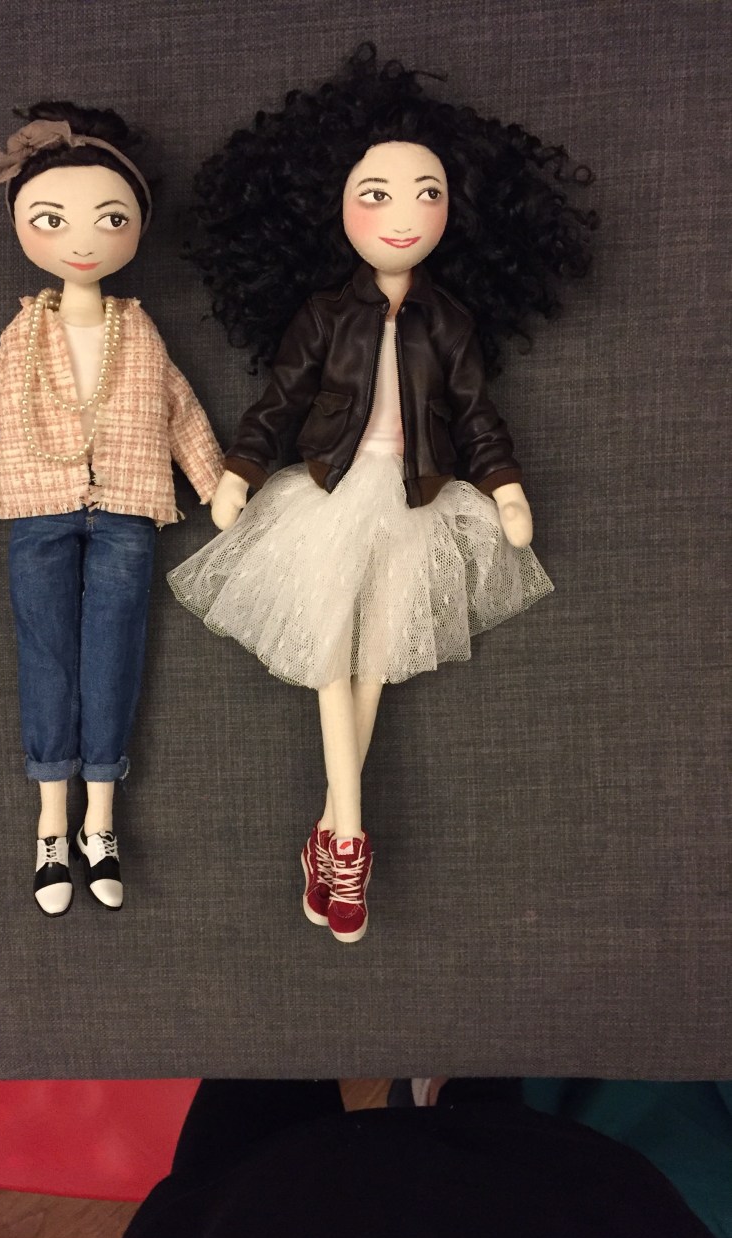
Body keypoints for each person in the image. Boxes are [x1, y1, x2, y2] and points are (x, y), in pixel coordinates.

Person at [168, 45, 596, 942]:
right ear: (330, 205)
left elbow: (475, 414)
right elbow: (280, 401)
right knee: (332, 654)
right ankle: (348, 837)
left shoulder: (449, 322)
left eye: (425, 194)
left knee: (371, 663)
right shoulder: (325, 316)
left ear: (456, 207)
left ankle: (332, 832)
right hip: (328, 491)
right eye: (376, 194)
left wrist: (505, 487)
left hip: (417, 498)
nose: (403, 215)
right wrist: (241, 469)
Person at [0, 102, 223, 916]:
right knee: (45, 656)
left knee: (114, 654)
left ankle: (99, 819)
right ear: (22, 226)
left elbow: (178, 409)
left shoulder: (141, 334)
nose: (81, 239)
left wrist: (216, 483)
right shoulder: (23, 335)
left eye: (109, 218)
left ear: (135, 226)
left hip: (129, 508)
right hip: (37, 505)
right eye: (52, 219)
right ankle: (49, 823)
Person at [118, 1078, 721, 1238]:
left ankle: (458, 1086)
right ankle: (457, 1084)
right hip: (542, 1204)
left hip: (250, 1208)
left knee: (261, 1067)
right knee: (494, 1120)